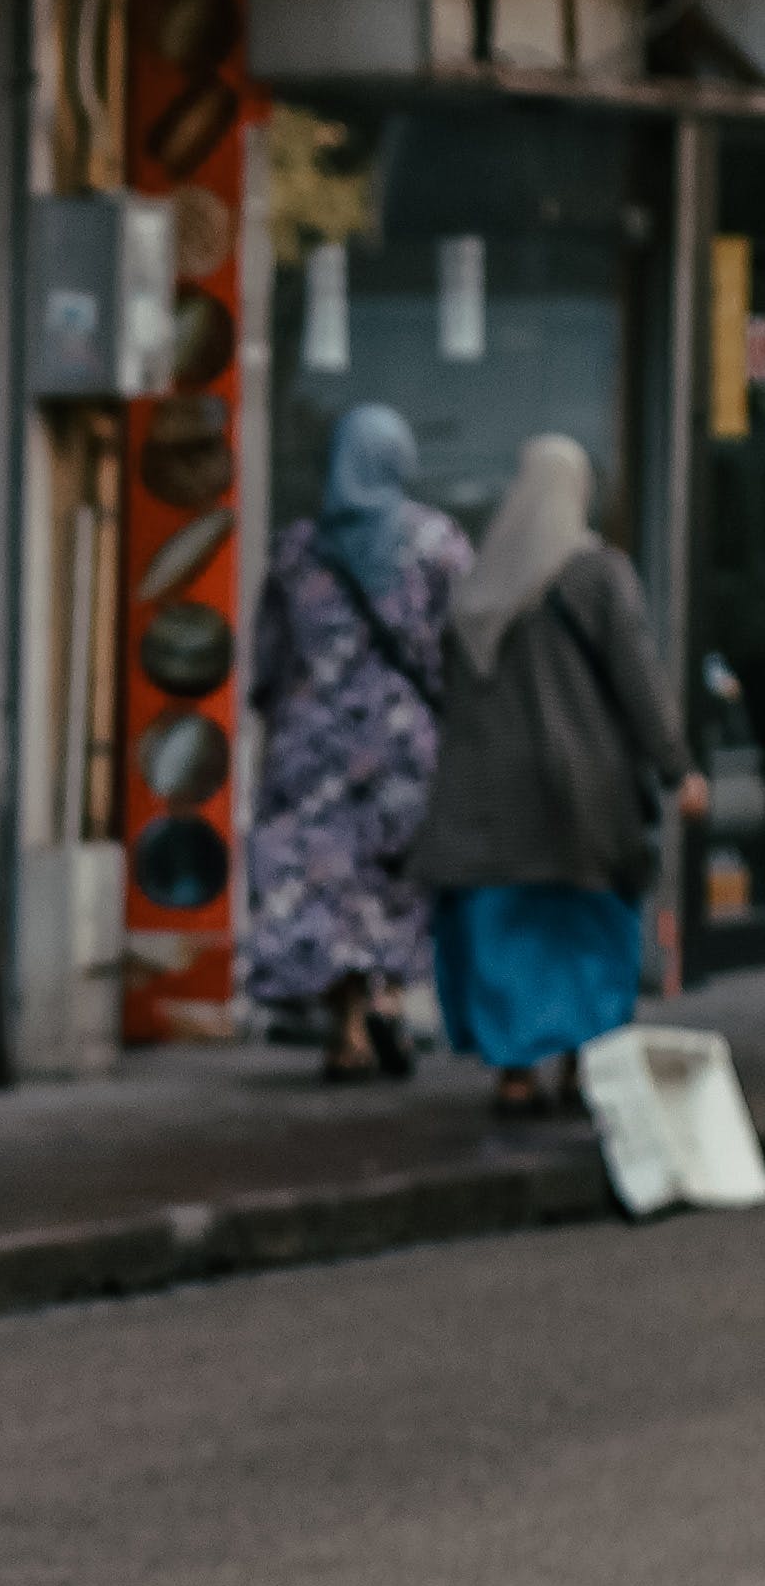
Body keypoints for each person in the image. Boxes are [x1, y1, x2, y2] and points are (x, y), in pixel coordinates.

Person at [407, 432, 703, 1118]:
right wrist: (674, 766)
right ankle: (580, 1065)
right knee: (585, 929)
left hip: (488, 797)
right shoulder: (597, 575)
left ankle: (513, 1074)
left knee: (502, 934)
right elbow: (637, 681)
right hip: (582, 795)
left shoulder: (479, 582)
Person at [243, 403, 469, 1080]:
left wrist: (289, 713)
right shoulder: (437, 544)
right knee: (395, 879)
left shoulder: (296, 551)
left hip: (310, 751)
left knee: (322, 883)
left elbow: (267, 660)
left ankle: (346, 1026)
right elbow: (461, 647)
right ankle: (391, 1001)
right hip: (403, 747)